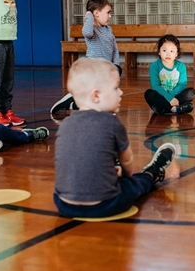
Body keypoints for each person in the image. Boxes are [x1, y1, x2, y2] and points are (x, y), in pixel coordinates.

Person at [53, 57, 176, 219]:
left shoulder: (65, 124)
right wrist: (126, 177)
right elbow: (127, 162)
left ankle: (108, 172)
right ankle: (152, 173)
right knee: (134, 183)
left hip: (64, 204)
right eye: (116, 88)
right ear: (96, 95)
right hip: (104, 204)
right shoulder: (112, 122)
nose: (121, 92)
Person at [51, 0, 121, 114]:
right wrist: (89, 16)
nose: (110, 16)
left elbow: (115, 49)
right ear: (96, 13)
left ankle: (76, 105)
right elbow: (87, 32)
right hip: (94, 68)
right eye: (108, 13)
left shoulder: (108, 30)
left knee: (98, 91)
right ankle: (70, 99)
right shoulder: (91, 29)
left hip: (105, 67)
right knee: (93, 90)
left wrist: (115, 65)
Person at [144, 34, 195, 114]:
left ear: (177, 53)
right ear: (159, 52)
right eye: (164, 51)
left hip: (176, 96)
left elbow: (182, 85)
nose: (168, 54)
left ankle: (163, 108)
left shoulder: (181, 66)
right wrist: (169, 98)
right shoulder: (154, 66)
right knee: (149, 94)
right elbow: (155, 86)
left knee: (191, 92)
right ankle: (177, 108)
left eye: (172, 51)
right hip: (162, 96)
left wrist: (172, 98)